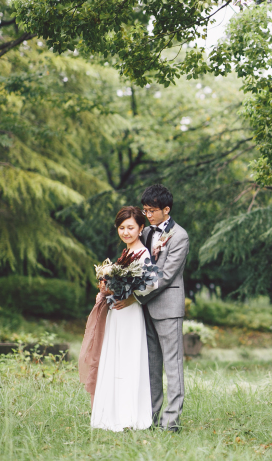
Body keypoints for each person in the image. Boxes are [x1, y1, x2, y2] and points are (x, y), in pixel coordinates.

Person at [112, 185, 190, 432]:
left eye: (153, 210)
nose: (148, 215)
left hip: (167, 307)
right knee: (152, 366)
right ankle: (151, 417)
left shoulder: (180, 236)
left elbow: (165, 276)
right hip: (145, 311)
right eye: (145, 210)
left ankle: (171, 422)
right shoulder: (146, 234)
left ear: (166, 209)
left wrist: (134, 297)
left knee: (173, 366)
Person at [88, 206, 159, 432]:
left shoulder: (143, 254)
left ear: (141, 228)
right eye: (121, 228)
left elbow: (151, 284)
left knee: (128, 358)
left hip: (130, 314)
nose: (126, 232)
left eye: (130, 227)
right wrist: (106, 287)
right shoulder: (124, 254)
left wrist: (132, 299)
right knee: (115, 357)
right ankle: (112, 412)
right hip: (116, 313)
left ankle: (129, 415)